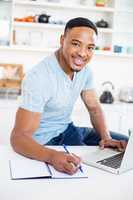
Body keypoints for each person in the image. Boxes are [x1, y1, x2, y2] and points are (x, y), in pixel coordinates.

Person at [10, 17, 128, 175]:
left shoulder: (85, 71)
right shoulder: (39, 77)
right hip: (47, 141)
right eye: (76, 44)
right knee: (89, 169)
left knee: (126, 146)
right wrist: (52, 156)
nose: (82, 53)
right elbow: (18, 138)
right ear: (62, 40)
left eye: (90, 47)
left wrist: (105, 137)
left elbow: (94, 108)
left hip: (68, 128)